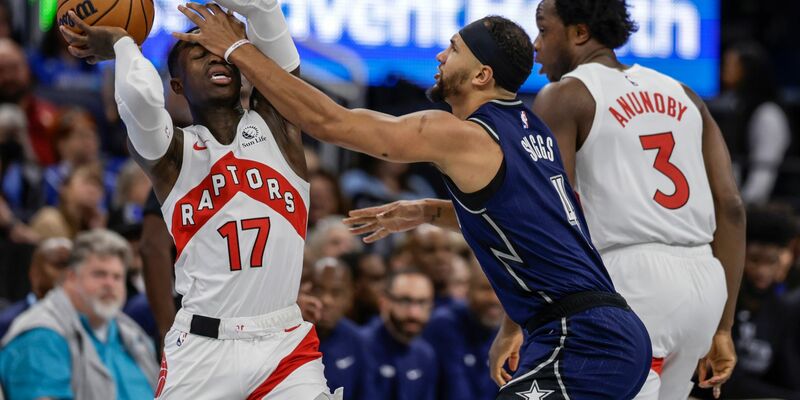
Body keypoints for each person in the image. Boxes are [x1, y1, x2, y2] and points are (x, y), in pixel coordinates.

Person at [177, 6, 651, 398]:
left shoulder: (461, 133)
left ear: (481, 75)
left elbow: (330, 123)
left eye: (455, 49)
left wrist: (238, 49)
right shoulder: (532, 131)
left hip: (584, 339)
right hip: (598, 328)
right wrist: (429, 212)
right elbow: (537, 227)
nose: (441, 55)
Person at [59, 0, 339, 397]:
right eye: (198, 54)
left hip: (284, 343)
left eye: (221, 52)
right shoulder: (172, 155)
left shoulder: (279, 126)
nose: (215, 58)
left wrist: (243, 19)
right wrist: (123, 45)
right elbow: (141, 103)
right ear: (176, 84)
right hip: (202, 347)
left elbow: (265, 12)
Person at [0, 229, 157, 400]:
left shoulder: (132, 334)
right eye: (99, 274)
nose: (110, 284)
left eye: (117, 277)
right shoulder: (41, 335)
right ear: (71, 277)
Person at [423, 256, 504, 400]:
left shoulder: (514, 332)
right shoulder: (444, 324)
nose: (494, 299)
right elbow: (456, 392)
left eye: (501, 290)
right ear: (468, 289)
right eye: (485, 289)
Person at [362, 269, 438, 400]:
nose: (414, 313)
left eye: (422, 303)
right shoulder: (360, 347)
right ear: (383, 303)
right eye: (405, 301)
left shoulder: (425, 355)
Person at [311, 257, 373, 400]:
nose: (326, 300)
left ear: (350, 296)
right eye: (318, 290)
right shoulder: (286, 337)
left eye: (336, 293)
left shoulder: (360, 343)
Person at [0, 237, 71, 337]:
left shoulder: (86, 321)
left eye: (73, 266)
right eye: (60, 265)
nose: (69, 273)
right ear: (35, 272)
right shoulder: (8, 322)